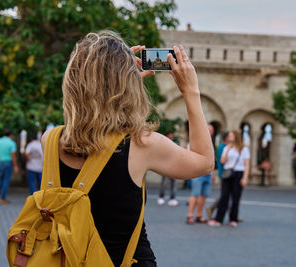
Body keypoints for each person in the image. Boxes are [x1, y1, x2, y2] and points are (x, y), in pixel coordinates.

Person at [40, 31, 214, 266]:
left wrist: (116, 87)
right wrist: (191, 92)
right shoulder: (142, 145)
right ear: (125, 86)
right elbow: (204, 161)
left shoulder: (50, 140)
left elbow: (90, 123)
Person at [208, 130, 250, 227]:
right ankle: (218, 219)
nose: (229, 137)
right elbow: (222, 161)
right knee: (224, 196)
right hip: (227, 173)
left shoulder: (244, 149)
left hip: (238, 173)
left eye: (231, 135)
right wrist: (227, 149)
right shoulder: (227, 147)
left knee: (236, 197)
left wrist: (245, 178)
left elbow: (246, 164)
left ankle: (233, 219)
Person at [186, 124, 214, 225]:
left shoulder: (210, 142)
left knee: (204, 195)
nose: (210, 132)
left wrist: (212, 173)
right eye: (209, 130)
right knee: (195, 194)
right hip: (198, 173)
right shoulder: (195, 141)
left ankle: (199, 215)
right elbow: (189, 155)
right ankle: (190, 215)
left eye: (211, 131)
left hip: (208, 173)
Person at [206, 131, 229, 220]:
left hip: (225, 173)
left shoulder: (224, 147)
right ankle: (212, 208)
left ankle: (231, 214)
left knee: (227, 195)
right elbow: (222, 161)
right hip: (224, 173)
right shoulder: (222, 147)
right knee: (225, 195)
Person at [0, 129, 19, 204]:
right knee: (6, 181)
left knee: (0, 180)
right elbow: (13, 155)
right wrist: (15, 166)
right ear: (10, 135)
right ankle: (3, 198)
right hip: (8, 162)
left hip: (1, 161)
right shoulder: (12, 143)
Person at [158, 132, 179, 207]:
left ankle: (172, 198)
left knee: (173, 183)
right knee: (164, 183)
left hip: (174, 167)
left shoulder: (175, 144)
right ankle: (161, 197)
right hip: (166, 167)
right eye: (169, 136)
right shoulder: (163, 145)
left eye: (171, 136)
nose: (171, 137)